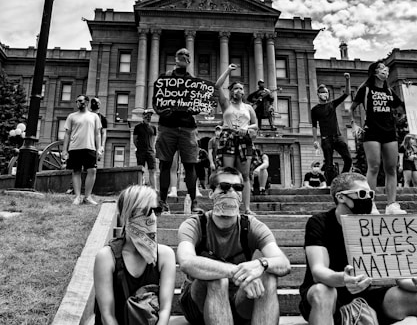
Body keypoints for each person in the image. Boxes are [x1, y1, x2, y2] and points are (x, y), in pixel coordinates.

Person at [299, 172, 417, 325]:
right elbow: (318, 271)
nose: (368, 198)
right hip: (327, 296)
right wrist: (344, 279)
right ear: (340, 197)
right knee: (323, 292)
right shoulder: (319, 222)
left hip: (364, 296)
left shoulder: (375, 224)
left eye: (370, 194)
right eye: (362, 194)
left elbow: (401, 277)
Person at [176, 166, 291, 325]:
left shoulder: (251, 225)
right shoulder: (195, 224)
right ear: (211, 193)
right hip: (198, 304)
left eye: (237, 188)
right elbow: (186, 261)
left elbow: (283, 263)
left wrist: (261, 264)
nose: (231, 191)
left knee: (268, 276)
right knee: (218, 279)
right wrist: (234, 271)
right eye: (224, 187)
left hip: (239, 301)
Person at [94, 185, 176, 325]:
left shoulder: (165, 255)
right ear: (127, 215)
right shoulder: (107, 257)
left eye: (156, 210)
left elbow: (165, 309)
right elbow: (107, 316)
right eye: (144, 212)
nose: (152, 218)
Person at [350, 61, 406, 215]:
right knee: (374, 166)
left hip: (389, 131)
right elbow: (352, 108)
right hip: (372, 131)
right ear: (374, 72)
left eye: (386, 69)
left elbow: (401, 108)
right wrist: (354, 124)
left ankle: (391, 205)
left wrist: (400, 115)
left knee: (391, 168)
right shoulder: (366, 89)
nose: (385, 71)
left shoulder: (389, 91)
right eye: (381, 68)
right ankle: (370, 204)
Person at [153, 48, 202, 214]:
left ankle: (194, 201)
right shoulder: (164, 78)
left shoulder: (193, 82)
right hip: (168, 126)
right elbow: (156, 100)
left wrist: (194, 109)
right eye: (181, 54)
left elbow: (198, 106)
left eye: (188, 55)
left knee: (190, 164)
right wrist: (161, 111)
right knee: (165, 163)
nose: (184, 56)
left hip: (188, 127)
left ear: (189, 61)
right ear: (175, 58)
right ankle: (163, 201)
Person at [215, 64, 259, 214]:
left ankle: (246, 208)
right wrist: (228, 70)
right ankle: (226, 205)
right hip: (228, 137)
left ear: (244, 92)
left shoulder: (249, 108)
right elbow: (217, 85)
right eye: (235, 88)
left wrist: (247, 129)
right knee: (228, 173)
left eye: (241, 88)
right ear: (231, 91)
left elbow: (256, 124)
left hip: (244, 139)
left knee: (245, 175)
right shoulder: (226, 104)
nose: (238, 90)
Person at [311, 73, 353, 185]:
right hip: (326, 139)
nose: (325, 94)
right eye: (323, 92)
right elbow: (314, 125)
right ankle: (330, 185)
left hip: (337, 136)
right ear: (318, 94)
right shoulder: (315, 110)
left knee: (348, 159)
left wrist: (347, 80)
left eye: (326, 92)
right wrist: (315, 140)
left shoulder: (332, 104)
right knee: (329, 164)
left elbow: (347, 93)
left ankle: (342, 179)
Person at [62, 94, 102, 205]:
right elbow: (67, 134)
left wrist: (99, 148)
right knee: (76, 171)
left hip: (90, 147)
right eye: (77, 101)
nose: (79, 103)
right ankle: (78, 197)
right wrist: (65, 150)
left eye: (81, 101)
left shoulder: (94, 117)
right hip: (75, 147)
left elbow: (98, 134)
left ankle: (88, 197)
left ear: (87, 102)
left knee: (92, 170)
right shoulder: (71, 116)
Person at [133, 108, 158, 189]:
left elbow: (153, 140)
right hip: (141, 151)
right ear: (143, 117)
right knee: (141, 170)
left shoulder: (153, 128)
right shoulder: (137, 127)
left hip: (150, 152)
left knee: (152, 170)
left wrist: (151, 147)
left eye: (150, 116)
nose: (148, 117)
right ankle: (140, 188)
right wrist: (139, 148)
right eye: (147, 116)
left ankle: (154, 189)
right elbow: (135, 140)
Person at [89, 97, 108, 162]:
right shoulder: (86, 116)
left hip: (96, 143)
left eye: (96, 102)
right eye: (93, 102)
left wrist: (102, 146)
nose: (95, 104)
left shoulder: (102, 118)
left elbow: (104, 133)